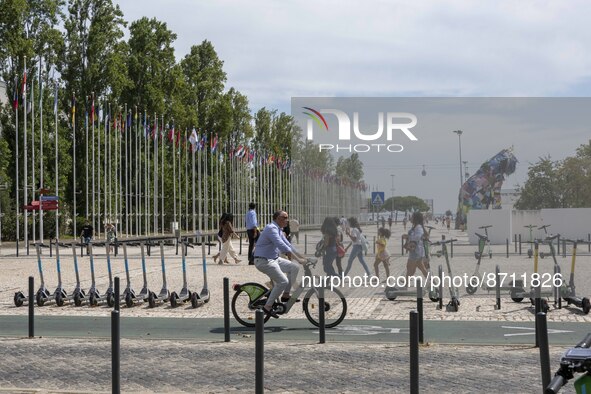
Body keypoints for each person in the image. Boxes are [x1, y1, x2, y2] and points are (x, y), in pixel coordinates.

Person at [254, 210, 309, 318]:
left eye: (287, 217)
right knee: (283, 281)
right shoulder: (271, 228)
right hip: (263, 260)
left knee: (294, 268)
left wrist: (303, 257)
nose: (287, 220)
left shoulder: (279, 229)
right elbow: (281, 245)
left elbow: (288, 244)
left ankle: (285, 295)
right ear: (277, 218)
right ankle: (267, 307)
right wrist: (298, 258)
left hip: (273, 259)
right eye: (284, 217)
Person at [402, 212, 429, 281]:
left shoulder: (418, 227)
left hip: (416, 251)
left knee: (411, 268)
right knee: (412, 267)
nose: (410, 218)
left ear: (415, 219)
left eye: (412, 217)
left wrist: (408, 236)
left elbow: (417, 237)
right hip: (414, 250)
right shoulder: (415, 226)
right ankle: (432, 282)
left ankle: (405, 285)